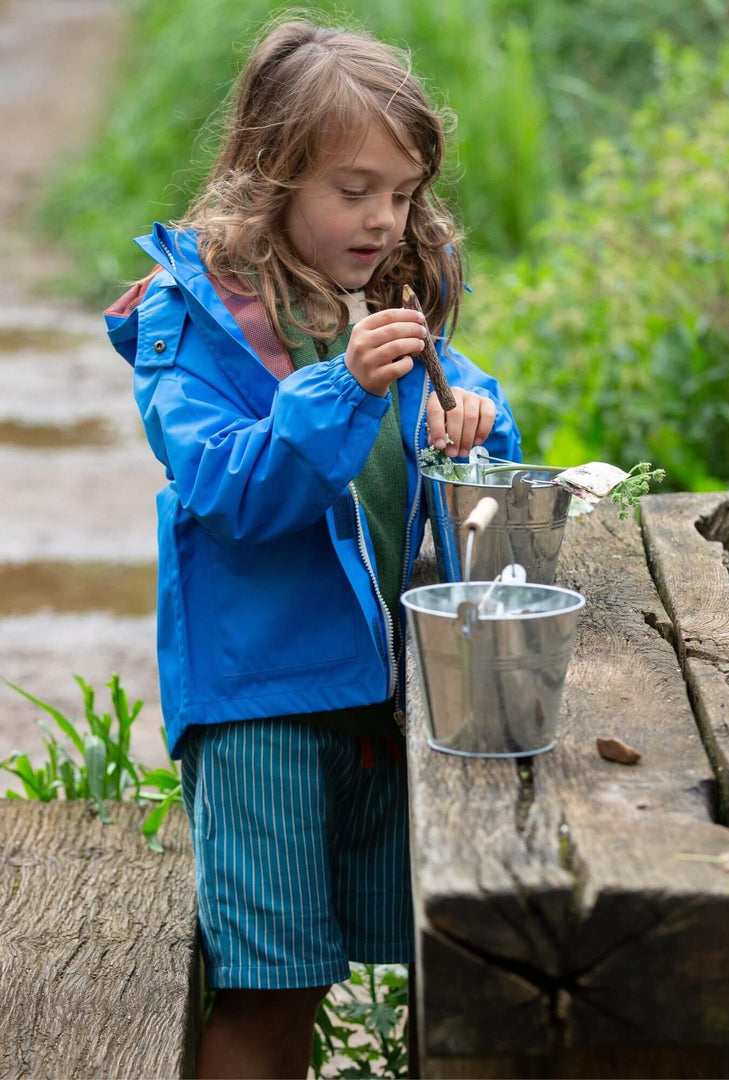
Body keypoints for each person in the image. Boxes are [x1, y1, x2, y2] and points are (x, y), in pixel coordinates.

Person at [104, 19, 520, 1079]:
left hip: (382, 691)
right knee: (272, 981)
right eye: (354, 188)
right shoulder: (186, 327)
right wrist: (344, 387)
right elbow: (230, 492)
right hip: (261, 707)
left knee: (451, 949)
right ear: (271, 172)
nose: (384, 218)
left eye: (404, 191)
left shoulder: (387, 291)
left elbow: (473, 427)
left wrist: (471, 417)